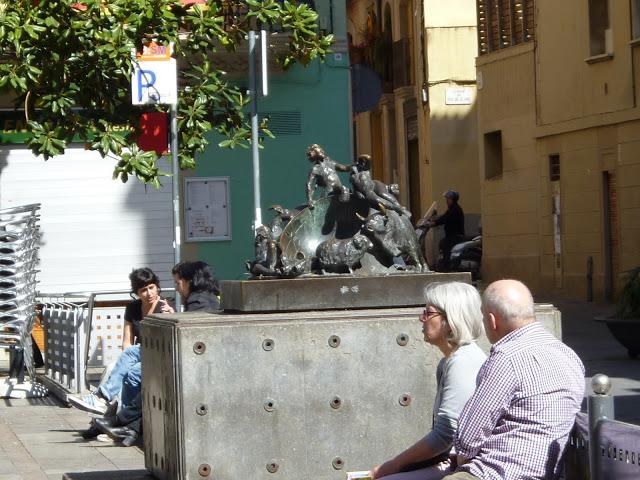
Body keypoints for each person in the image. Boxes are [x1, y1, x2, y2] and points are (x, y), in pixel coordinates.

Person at [443, 279, 585, 480]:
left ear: (492, 320)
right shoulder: (568, 355)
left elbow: (468, 437)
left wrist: (460, 465)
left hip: (497, 473)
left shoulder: (506, 357)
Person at [371, 282, 487, 480]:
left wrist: (392, 465)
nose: (421, 319)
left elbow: (445, 435)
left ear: (450, 319)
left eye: (428, 313)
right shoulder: (450, 361)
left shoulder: (463, 361)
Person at [68, 267, 172, 415]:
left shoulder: (165, 307)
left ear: (157, 287)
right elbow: (127, 341)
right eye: (143, 290)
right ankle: (108, 414)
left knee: (129, 365)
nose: (149, 293)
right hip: (140, 354)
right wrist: (126, 363)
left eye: (152, 287)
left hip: (158, 354)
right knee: (112, 368)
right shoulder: (133, 308)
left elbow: (168, 339)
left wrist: (171, 316)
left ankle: (102, 399)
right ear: (136, 292)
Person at [427, 191, 465, 271]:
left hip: (455, 236)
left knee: (444, 244)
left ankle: (446, 267)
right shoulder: (452, 208)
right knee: (443, 243)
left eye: (448, 199)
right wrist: (433, 219)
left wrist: (434, 223)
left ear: (453, 199)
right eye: (447, 198)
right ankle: (447, 265)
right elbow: (444, 217)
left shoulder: (455, 209)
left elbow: (445, 218)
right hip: (452, 235)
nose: (447, 200)